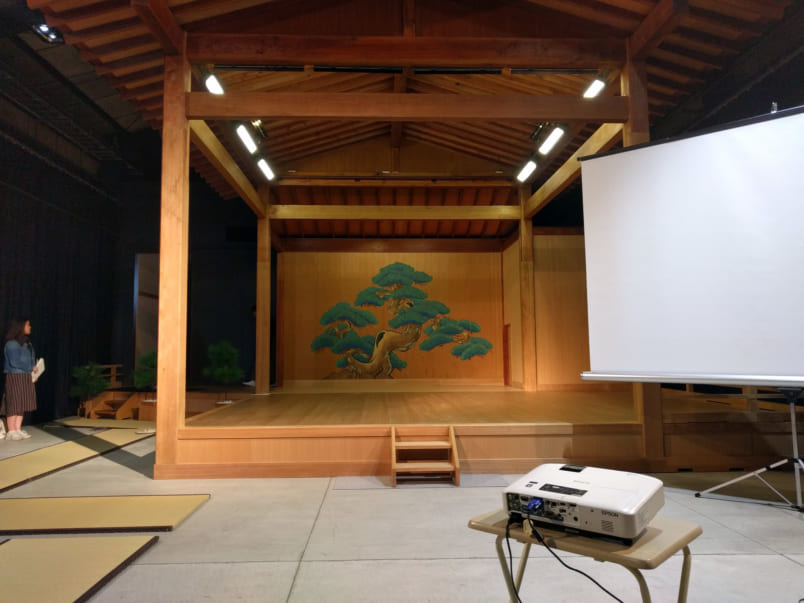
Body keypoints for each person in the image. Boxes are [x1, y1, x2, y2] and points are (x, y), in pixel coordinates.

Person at [3, 317, 38, 440]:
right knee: (14, 403)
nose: (30, 327)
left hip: (25, 375)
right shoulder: (11, 344)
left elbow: (30, 359)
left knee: (22, 403)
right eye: (28, 325)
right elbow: (15, 362)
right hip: (15, 376)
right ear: (20, 327)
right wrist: (30, 368)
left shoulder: (27, 343)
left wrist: (34, 370)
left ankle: (17, 428)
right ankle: (11, 431)